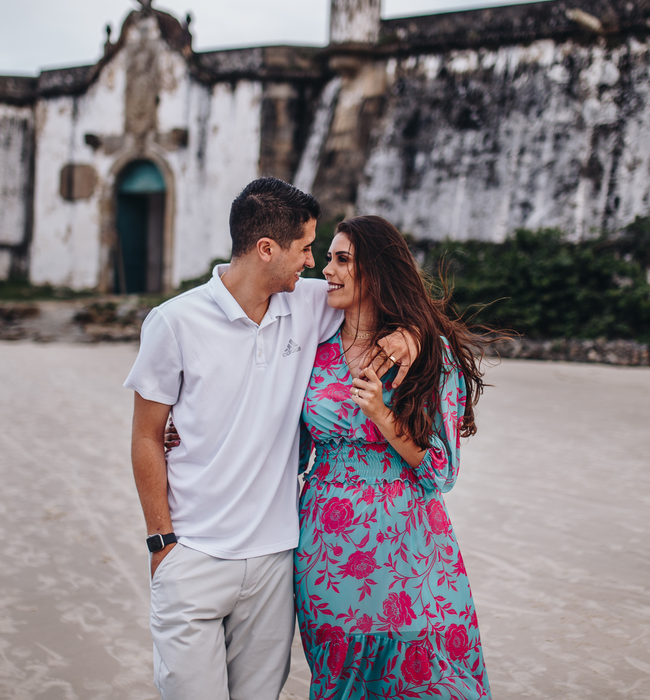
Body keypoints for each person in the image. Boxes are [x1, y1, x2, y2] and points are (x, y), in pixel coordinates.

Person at [124, 179, 419, 700]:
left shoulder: (309, 305)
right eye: (306, 248)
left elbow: (394, 294)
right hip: (191, 554)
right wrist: (161, 542)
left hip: (275, 562)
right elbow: (147, 436)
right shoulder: (173, 322)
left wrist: (411, 334)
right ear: (267, 249)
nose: (313, 263)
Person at [295, 215, 491, 699]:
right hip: (326, 548)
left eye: (343, 260)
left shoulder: (427, 352)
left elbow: (441, 470)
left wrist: (383, 415)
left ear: (376, 271)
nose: (328, 270)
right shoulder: (309, 352)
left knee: (426, 679)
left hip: (411, 544)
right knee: (341, 679)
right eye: (327, 259)